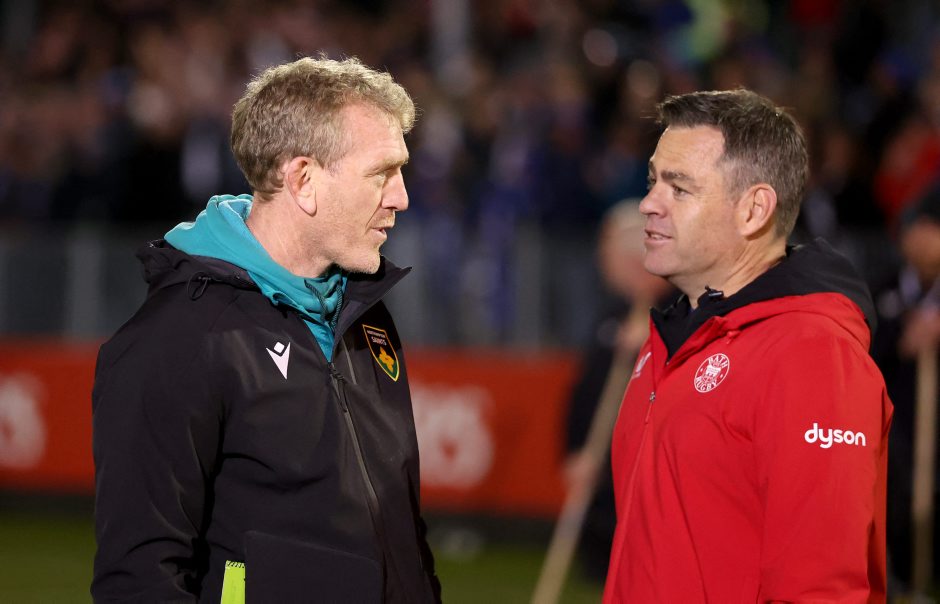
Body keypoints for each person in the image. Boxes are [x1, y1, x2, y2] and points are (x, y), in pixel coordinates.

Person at [91, 56, 442, 603]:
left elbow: (402, 536)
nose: (401, 196)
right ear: (302, 180)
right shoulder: (179, 338)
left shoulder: (365, 314)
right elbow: (139, 579)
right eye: (381, 173)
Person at [604, 89, 893, 602]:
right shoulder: (671, 339)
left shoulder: (812, 353)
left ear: (754, 209)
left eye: (679, 188)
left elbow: (820, 588)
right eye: (653, 182)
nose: (648, 203)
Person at [562, 199, 674, 583]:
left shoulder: (674, 312)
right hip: (601, 467)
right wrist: (576, 449)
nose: (602, 259)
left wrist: (652, 343)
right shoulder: (612, 311)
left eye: (608, 249)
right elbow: (587, 389)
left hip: (641, 475)